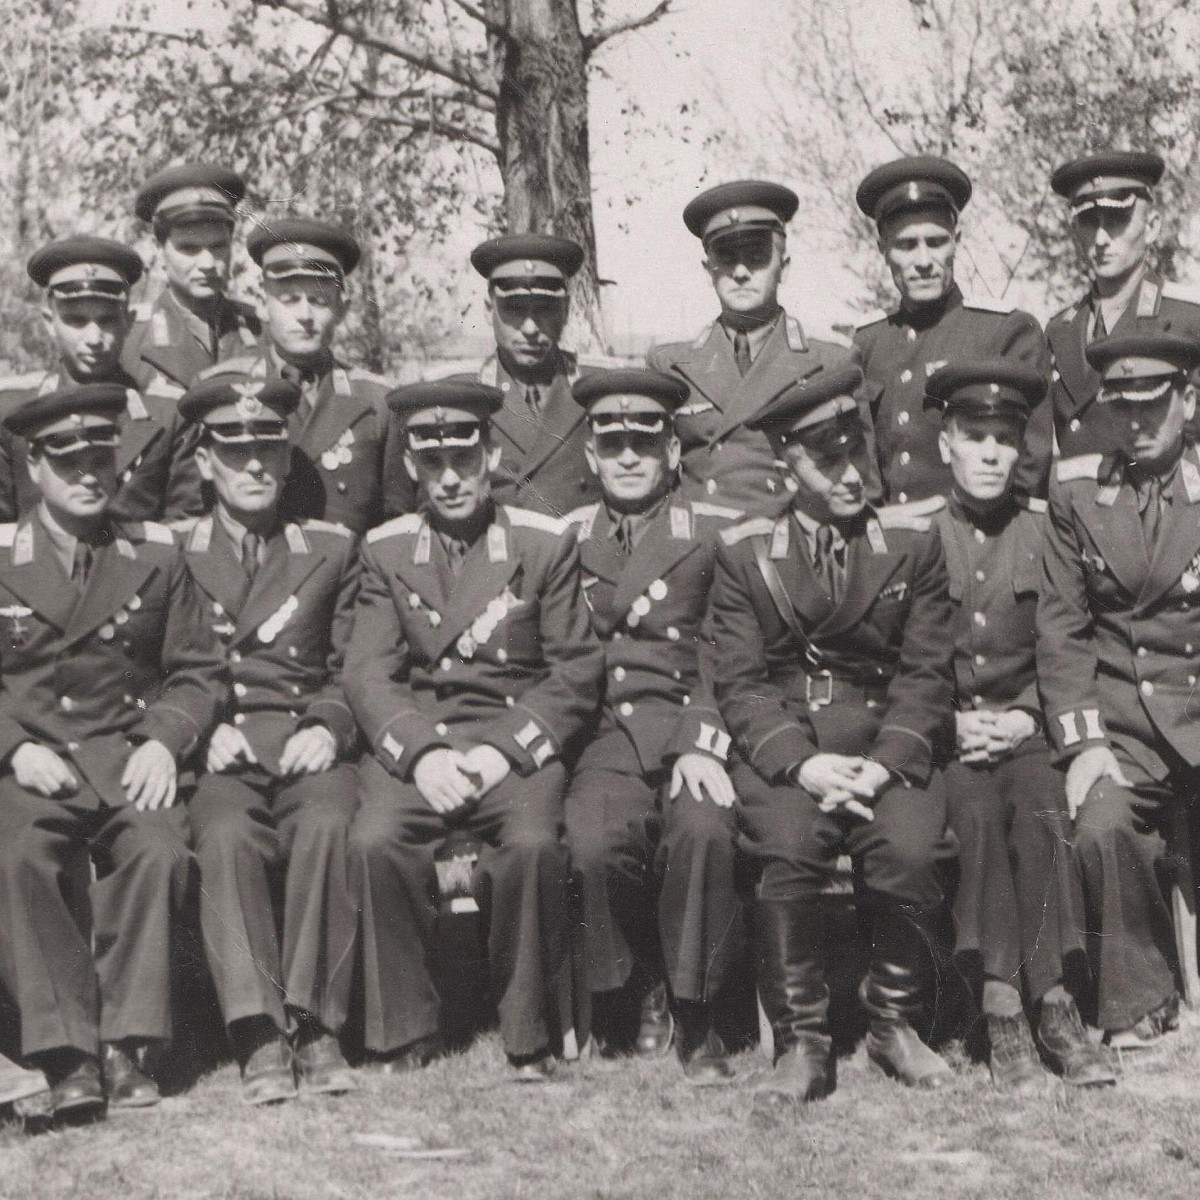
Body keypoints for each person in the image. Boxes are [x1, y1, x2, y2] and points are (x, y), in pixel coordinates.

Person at [707, 363, 955, 1104]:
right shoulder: (746, 552)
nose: (852, 475)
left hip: (883, 740)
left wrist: (884, 767)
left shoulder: (912, 542)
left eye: (860, 451)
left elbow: (927, 672)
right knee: (786, 848)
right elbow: (741, 681)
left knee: (910, 848)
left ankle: (893, 1025)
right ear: (789, 459)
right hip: (793, 746)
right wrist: (801, 765)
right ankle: (802, 1039)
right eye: (828, 458)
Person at [345, 378, 602, 1083]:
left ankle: (527, 1034)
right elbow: (369, 673)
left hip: (510, 741)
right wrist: (421, 753)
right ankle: (408, 1028)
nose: (451, 479)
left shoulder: (543, 545)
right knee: (374, 841)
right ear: (411, 469)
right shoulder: (387, 550)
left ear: (492, 456)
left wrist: (500, 752)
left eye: (464, 459)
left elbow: (576, 670)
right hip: (425, 740)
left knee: (527, 846)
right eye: (433, 465)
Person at [0, 384, 226, 1117]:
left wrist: (163, 740)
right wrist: (11, 751)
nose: (90, 474)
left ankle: (127, 1048)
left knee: (159, 849)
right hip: (37, 755)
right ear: (34, 467)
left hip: (125, 752)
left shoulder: (153, 551)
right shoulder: (4, 554)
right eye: (68, 462)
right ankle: (66, 1053)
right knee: (19, 854)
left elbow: (197, 669)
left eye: (102, 457)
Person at [925, 360, 1115, 1091]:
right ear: (946, 443)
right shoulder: (919, 537)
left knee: (1038, 809)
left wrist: (1029, 715)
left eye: (1005, 440)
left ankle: (1056, 1003)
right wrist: (949, 724)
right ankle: (1001, 1005)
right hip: (948, 742)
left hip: (1025, 732)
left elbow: (1064, 641)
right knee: (973, 815)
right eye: (974, 437)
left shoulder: (1043, 533)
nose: (990, 453)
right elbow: (900, 661)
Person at [176, 374, 361, 1105]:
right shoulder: (171, 553)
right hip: (220, 745)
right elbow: (152, 671)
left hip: (303, 739)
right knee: (223, 833)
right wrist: (200, 730)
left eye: (267, 451)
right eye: (233, 451)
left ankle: (315, 1026)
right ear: (203, 463)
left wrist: (329, 722)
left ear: (289, 462)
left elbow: (355, 664)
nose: (252, 467)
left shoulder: (332, 548)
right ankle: (255, 1031)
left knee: (326, 820)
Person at [562, 369, 743, 1085]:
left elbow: (733, 650)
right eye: (613, 445)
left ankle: (697, 1008)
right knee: (595, 841)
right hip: (606, 731)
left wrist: (703, 736)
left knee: (703, 830)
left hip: (692, 724)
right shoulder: (566, 540)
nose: (629, 458)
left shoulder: (715, 532)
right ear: (590, 456)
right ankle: (636, 983)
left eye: (646, 441)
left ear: (674, 451)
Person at [1038, 332, 1200, 1049]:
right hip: (1125, 725)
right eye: (1121, 406)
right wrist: (1084, 743)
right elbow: (1062, 630)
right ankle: (1143, 999)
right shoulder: (1077, 495)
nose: (1135, 422)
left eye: (1154, 404)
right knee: (1101, 824)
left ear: (1189, 401)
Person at [649, 180, 866, 515]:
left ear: (785, 267)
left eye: (756, 258)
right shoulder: (670, 363)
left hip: (788, 542)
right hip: (702, 543)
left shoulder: (831, 359)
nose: (739, 272)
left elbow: (863, 482)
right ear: (709, 270)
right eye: (726, 258)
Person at [853, 156, 1051, 507]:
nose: (924, 260)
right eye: (906, 245)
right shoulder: (867, 343)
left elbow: (1030, 463)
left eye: (936, 241)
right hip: (895, 544)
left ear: (956, 241)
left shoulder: (1005, 331)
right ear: (883, 250)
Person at [212, 217, 405, 535]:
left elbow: (396, 526)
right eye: (288, 300)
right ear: (263, 303)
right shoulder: (225, 390)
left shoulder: (378, 402)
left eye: (319, 301)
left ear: (342, 309)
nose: (304, 316)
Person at [0, 236, 203, 523]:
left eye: (107, 320)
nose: (94, 339)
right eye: (76, 321)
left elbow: (184, 525)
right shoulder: (10, 413)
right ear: (49, 322)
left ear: (129, 322)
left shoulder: (169, 414)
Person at [428, 232, 603, 519]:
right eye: (514, 310)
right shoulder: (457, 394)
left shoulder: (595, 387)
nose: (531, 328)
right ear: (489, 311)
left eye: (545, 310)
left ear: (567, 310)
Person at [1046, 151, 1200, 458]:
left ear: (1153, 226)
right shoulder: (1060, 328)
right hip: (1075, 503)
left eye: (1117, 219)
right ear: (1076, 230)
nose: (1101, 239)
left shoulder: (1188, 319)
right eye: (1089, 221)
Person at [122, 162, 260, 388]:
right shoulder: (128, 342)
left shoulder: (262, 332)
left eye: (217, 247)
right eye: (189, 248)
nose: (207, 264)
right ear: (159, 249)